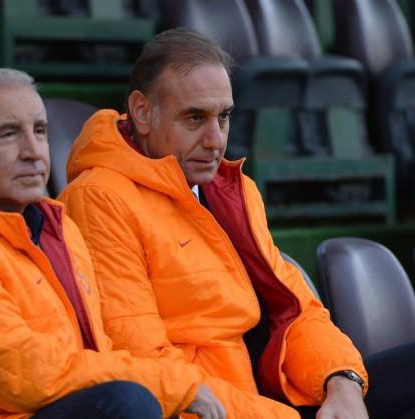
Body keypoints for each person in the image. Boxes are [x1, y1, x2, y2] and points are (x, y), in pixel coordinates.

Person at [0, 68, 237, 418]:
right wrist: (170, 385)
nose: (33, 151)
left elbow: (93, 353)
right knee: (128, 403)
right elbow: (26, 375)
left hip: (36, 407)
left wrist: (171, 386)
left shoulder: (55, 226)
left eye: (40, 131)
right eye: (8, 134)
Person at [58, 28, 369, 418]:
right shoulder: (99, 198)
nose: (215, 140)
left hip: (266, 395)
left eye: (223, 117)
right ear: (142, 112)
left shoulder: (233, 190)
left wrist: (341, 381)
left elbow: (295, 306)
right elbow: (143, 361)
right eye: (195, 118)